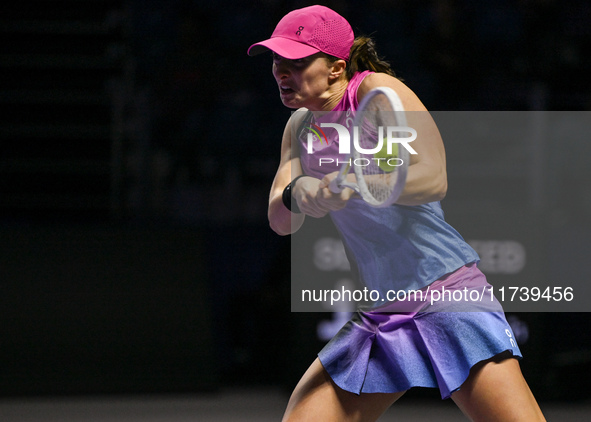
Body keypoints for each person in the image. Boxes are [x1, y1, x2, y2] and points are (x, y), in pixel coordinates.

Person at [248, 5, 546, 422]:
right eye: (277, 60)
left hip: (445, 293)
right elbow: (280, 219)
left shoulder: (377, 92)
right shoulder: (300, 128)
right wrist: (303, 193)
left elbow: (432, 177)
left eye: (296, 61)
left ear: (335, 68)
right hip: (381, 312)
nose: (281, 70)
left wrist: (359, 182)